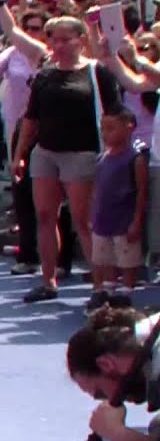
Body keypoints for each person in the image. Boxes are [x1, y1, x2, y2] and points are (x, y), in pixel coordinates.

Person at [65, 307, 160, 441]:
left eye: (100, 393)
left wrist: (120, 435)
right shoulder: (150, 334)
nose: (107, 400)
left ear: (106, 364)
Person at [86, 108, 148, 313]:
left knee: (127, 259)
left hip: (124, 220)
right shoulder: (102, 158)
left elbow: (141, 192)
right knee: (105, 258)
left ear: (129, 128)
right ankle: (109, 292)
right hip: (103, 220)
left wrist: (137, 220)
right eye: (103, 128)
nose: (105, 133)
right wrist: (91, 214)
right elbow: (96, 189)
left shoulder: (135, 159)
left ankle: (126, 293)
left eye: (111, 128)